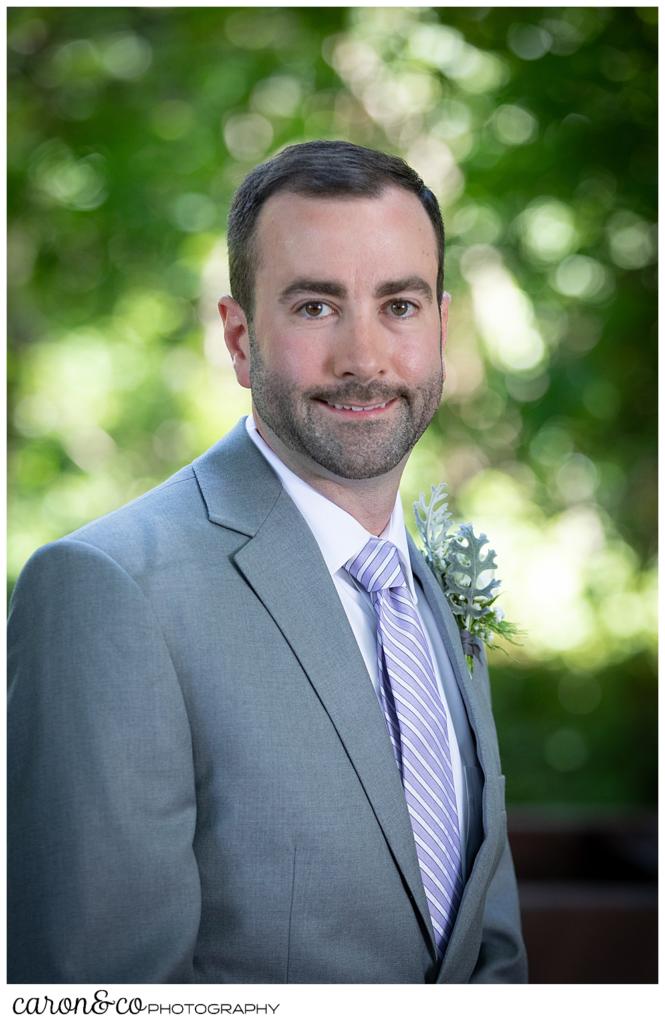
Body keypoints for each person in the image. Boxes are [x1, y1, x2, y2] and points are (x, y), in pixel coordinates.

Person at [8, 140, 527, 984]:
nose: (364, 357)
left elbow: (485, 947)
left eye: (398, 305)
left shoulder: (429, 588)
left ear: (440, 326)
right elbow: (96, 995)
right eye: (316, 308)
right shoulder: (109, 591)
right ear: (240, 338)